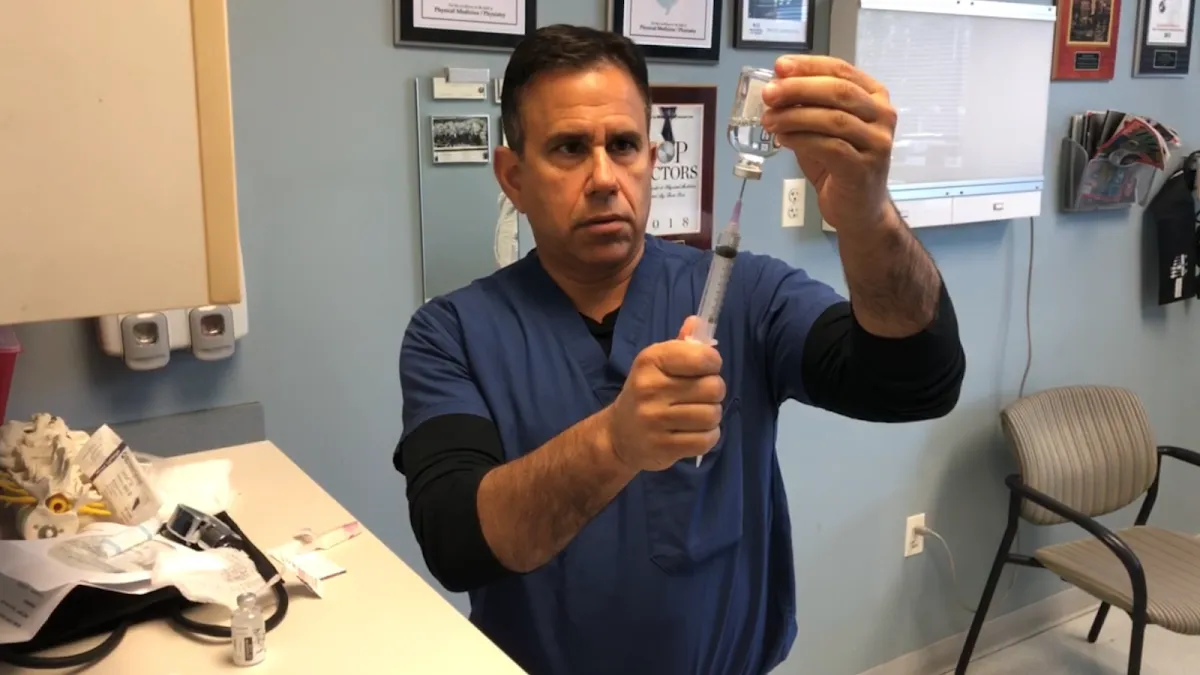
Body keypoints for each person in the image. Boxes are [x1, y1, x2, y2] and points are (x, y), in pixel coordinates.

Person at [395, 24, 966, 675]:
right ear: (514, 177)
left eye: (623, 145)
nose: (604, 177)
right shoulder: (451, 334)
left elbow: (915, 380)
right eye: (569, 148)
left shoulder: (748, 295)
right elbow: (456, 543)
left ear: (652, 159)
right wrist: (614, 442)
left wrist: (867, 214)